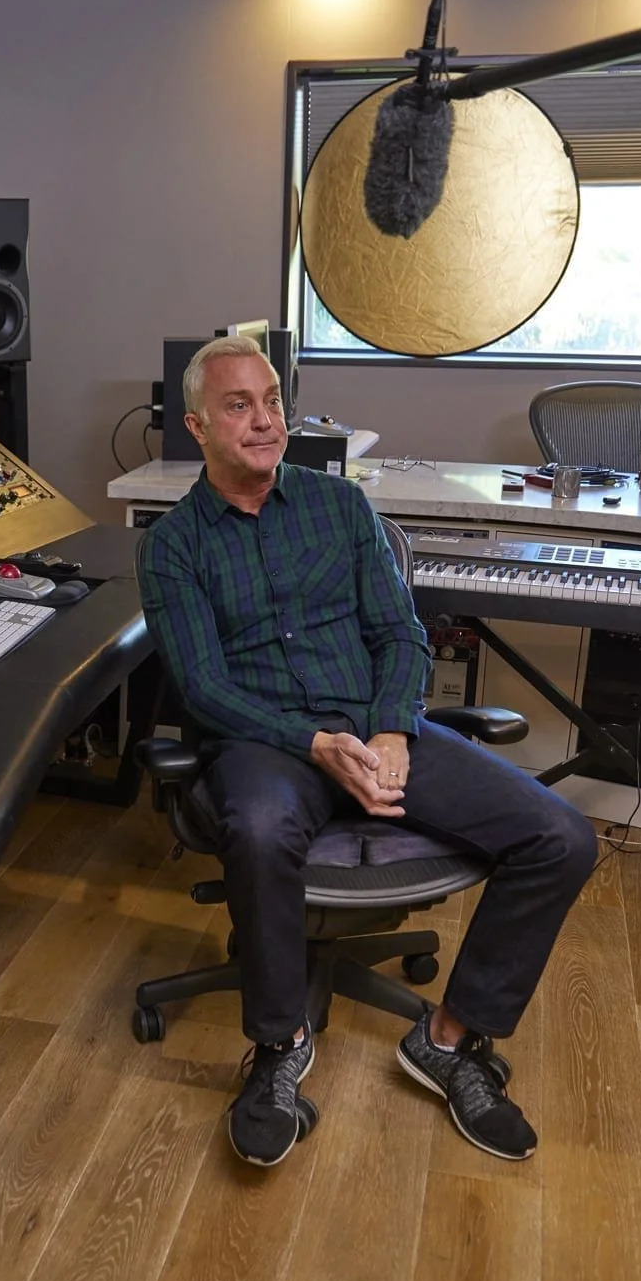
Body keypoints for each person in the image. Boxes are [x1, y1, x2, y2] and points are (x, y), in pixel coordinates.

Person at [136, 335, 597, 1168]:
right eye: (238, 406)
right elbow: (203, 687)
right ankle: (279, 1047)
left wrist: (388, 728)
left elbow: (401, 634)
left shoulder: (340, 507)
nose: (264, 421)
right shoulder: (172, 545)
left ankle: (449, 1039)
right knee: (259, 828)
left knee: (561, 836)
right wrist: (313, 743)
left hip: (374, 727)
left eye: (272, 401)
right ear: (197, 426)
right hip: (266, 741)